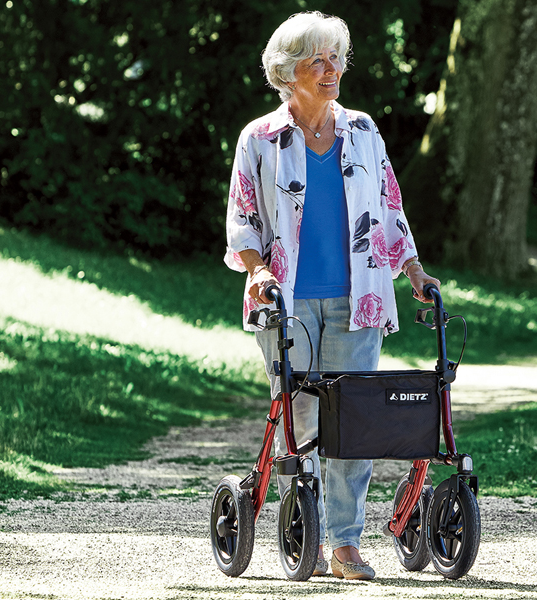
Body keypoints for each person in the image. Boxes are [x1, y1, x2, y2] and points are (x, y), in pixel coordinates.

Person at [224, 11, 440, 581]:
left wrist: (414, 271)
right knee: (300, 419)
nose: (332, 69)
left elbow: (390, 207)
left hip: (358, 299)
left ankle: (345, 544)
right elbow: (243, 219)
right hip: (286, 301)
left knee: (353, 424)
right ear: (287, 72)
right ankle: (306, 536)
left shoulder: (363, 131)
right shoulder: (260, 139)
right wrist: (256, 272)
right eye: (318, 60)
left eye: (337, 58)